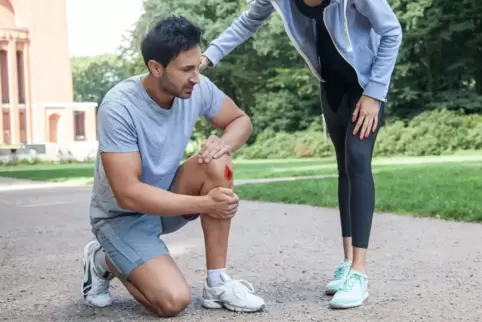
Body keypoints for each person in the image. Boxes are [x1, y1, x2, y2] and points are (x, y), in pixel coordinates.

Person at [200, 0, 402, 309]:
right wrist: (207, 57)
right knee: (344, 167)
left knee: (359, 161)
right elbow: (248, 22)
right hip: (331, 87)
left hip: (366, 85)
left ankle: (359, 273)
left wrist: (375, 93)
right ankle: (348, 263)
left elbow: (391, 31)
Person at [80, 15, 266, 317]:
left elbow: (239, 120)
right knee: (172, 302)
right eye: (186, 69)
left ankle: (217, 283)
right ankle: (102, 259)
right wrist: (207, 203)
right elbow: (128, 193)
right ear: (156, 68)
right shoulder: (118, 107)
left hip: (167, 197)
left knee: (216, 157)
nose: (196, 77)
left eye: (198, 66)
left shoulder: (197, 88)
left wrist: (225, 143)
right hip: (121, 217)